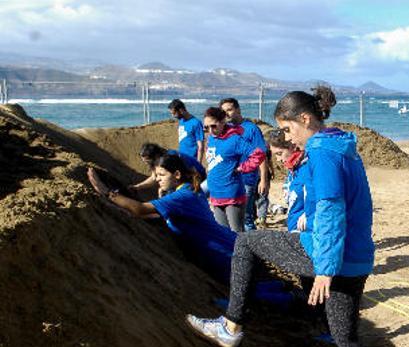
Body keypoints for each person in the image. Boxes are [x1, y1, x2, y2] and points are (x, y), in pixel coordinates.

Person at [186, 86, 379, 347]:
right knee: (345, 336)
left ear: (305, 119)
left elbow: (333, 209)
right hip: (358, 257)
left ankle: (231, 326)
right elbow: (361, 206)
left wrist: (324, 269)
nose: (290, 139)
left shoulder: (321, 152)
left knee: (246, 244)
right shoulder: (346, 147)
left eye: (289, 130)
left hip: (328, 254)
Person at [86, 155, 290, 304]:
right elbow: (152, 215)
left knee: (244, 295)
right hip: (227, 246)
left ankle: (293, 300)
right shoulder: (187, 192)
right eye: (156, 175)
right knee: (246, 286)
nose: (157, 179)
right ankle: (281, 287)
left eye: (161, 175)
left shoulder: (180, 197)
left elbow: (140, 209)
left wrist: (108, 193)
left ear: (176, 175)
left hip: (223, 253)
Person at [203, 106, 266, 232]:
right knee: (223, 234)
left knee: (237, 235)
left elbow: (259, 154)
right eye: (206, 127)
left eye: (213, 126)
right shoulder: (211, 139)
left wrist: (243, 168)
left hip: (232, 194)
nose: (210, 130)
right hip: (215, 193)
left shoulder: (235, 139)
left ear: (222, 122)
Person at [220, 98, 271, 230]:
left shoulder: (251, 129)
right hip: (230, 180)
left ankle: (252, 247)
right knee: (231, 216)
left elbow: (261, 156)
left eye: (229, 110)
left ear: (238, 109)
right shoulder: (226, 130)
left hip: (247, 179)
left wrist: (264, 180)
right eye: (223, 111)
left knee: (246, 217)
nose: (227, 114)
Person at [129, 143, 207, 197]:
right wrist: (137, 187)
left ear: (155, 156)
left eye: (147, 161)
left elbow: (190, 173)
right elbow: (154, 178)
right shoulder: (157, 160)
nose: (146, 164)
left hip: (197, 176)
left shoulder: (169, 158)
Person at [266, 129, 306, 232]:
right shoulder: (292, 170)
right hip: (293, 227)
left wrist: (308, 213)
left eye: (279, 153)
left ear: (292, 146)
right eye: (275, 154)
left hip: (306, 231)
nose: (278, 159)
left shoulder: (307, 167)